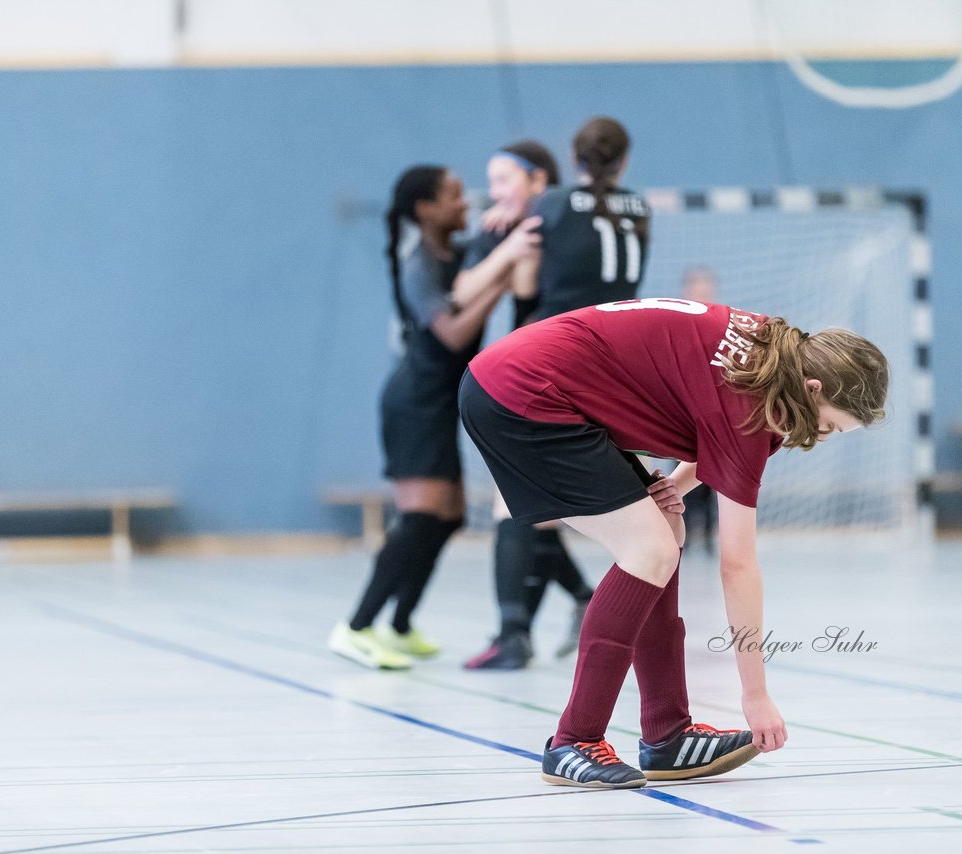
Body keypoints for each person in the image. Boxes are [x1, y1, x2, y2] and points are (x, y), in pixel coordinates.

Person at [459, 296, 888, 787]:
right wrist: (755, 696)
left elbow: (706, 413)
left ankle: (667, 735)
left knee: (665, 531)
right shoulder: (753, 405)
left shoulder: (771, 352)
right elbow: (738, 565)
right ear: (812, 389)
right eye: (829, 424)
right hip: (523, 397)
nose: (823, 436)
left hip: (531, 380)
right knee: (650, 550)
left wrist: (674, 489)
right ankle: (573, 741)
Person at [329, 164, 539, 670]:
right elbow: (452, 334)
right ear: (425, 208)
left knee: (446, 521)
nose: (464, 201)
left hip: (442, 400)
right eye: (451, 195)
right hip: (413, 403)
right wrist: (502, 279)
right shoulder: (416, 261)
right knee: (420, 517)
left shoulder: (458, 252)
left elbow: (488, 262)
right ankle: (355, 627)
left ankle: (400, 626)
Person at [464, 117, 652, 670]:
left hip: (553, 356)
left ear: (571, 161)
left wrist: (503, 228)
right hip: (615, 359)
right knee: (550, 504)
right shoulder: (639, 207)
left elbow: (525, 286)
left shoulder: (550, 209)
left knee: (513, 502)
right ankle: (585, 604)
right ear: (625, 162)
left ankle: (512, 633)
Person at [680, 266, 721, 554]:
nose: (702, 290)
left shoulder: (721, 324)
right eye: (697, 285)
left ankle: (708, 536)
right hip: (681, 411)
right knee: (681, 475)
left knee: (712, 478)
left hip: (712, 412)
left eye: (707, 286)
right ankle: (681, 534)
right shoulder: (677, 322)